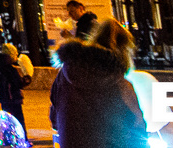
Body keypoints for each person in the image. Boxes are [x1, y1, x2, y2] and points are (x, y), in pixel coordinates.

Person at [50, 18, 149, 148]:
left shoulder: (65, 74)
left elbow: (54, 117)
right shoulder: (118, 81)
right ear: (124, 50)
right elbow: (136, 125)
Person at [0, 42, 32, 128]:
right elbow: (17, 83)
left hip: (4, 99)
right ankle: (23, 139)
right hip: (13, 99)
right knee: (19, 120)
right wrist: (27, 79)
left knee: (7, 121)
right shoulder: (10, 70)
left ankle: (8, 138)